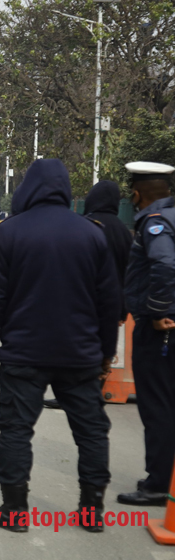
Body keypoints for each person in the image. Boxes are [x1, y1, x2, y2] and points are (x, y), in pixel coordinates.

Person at [0, 159, 121, 532]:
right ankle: (91, 512)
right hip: (81, 355)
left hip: (23, 355)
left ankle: (14, 511)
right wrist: (107, 352)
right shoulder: (92, 234)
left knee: (16, 431)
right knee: (91, 433)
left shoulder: (9, 234)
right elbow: (109, 302)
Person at [115, 161, 175, 507]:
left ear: (137, 195)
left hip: (161, 332)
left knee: (157, 407)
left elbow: (165, 265)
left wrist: (158, 311)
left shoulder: (154, 224)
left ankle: (157, 485)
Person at [44, 180, 133, 410]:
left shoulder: (85, 226)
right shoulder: (124, 232)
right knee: (107, 351)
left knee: (77, 351)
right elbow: (128, 272)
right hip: (114, 304)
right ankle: (92, 393)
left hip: (83, 303)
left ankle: (71, 395)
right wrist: (123, 307)